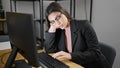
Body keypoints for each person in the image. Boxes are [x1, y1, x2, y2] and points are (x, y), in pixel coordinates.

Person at [44, 2, 108, 68]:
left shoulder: (84, 25)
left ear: (64, 13)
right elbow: (49, 51)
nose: (58, 23)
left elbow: (95, 53)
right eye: (52, 21)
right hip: (74, 65)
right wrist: (51, 29)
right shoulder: (58, 30)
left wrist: (71, 56)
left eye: (58, 18)